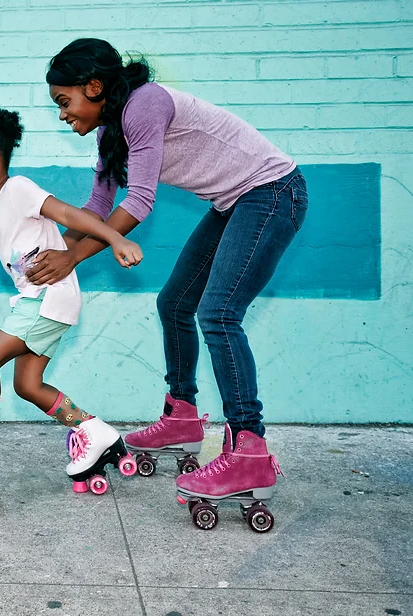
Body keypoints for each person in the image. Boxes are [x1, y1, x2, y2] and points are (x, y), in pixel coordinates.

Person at [34, 38, 304, 509]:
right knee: (175, 303)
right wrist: (52, 245)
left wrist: (72, 259)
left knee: (219, 314)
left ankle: (249, 449)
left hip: (271, 193)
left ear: (94, 86)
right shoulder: (110, 132)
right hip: (235, 203)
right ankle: (181, 416)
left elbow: (137, 202)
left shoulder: (145, 105)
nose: (62, 114)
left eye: (64, 101)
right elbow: (98, 206)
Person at [0, 102, 142, 516]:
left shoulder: (18, 189)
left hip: (47, 297)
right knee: (27, 386)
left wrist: (114, 238)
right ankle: (96, 432)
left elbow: (69, 213)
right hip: (47, 301)